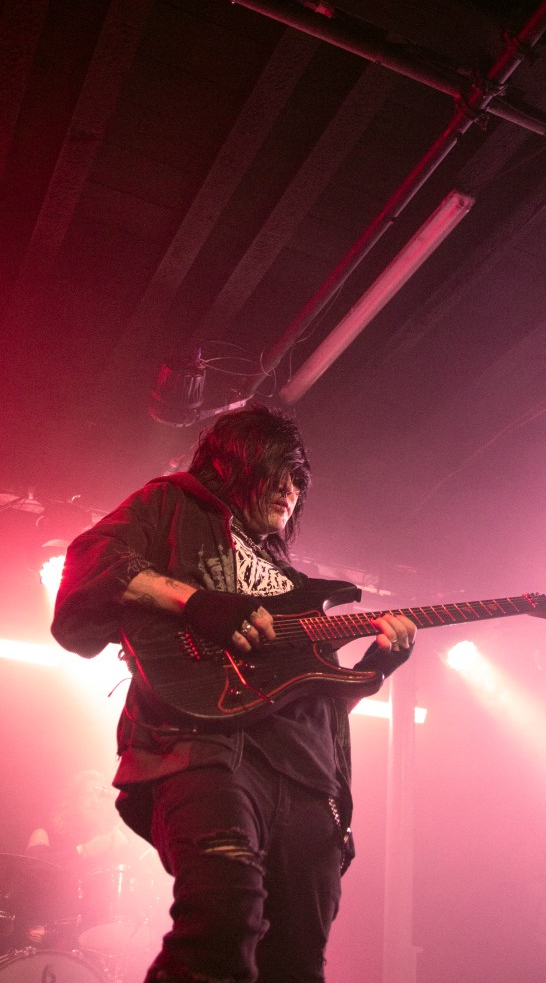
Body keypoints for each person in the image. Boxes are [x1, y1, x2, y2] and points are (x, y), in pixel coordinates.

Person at [51, 405, 416, 983]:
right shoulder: (171, 504)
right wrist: (197, 602)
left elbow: (310, 701)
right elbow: (92, 563)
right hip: (204, 751)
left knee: (297, 962)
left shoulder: (294, 583)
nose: (290, 490)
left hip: (306, 777)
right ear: (237, 462)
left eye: (298, 481)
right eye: (279, 472)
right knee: (223, 915)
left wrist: (376, 667)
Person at [21, 769, 128, 949]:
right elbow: (29, 871)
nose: (95, 801)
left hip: (92, 941)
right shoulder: (46, 833)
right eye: (89, 794)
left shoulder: (110, 839)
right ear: (73, 800)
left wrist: (126, 851)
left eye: (100, 795)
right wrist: (82, 851)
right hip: (46, 940)